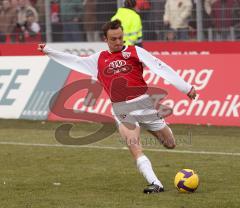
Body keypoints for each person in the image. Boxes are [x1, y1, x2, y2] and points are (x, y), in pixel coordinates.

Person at [38, 19, 196, 194]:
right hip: (122, 109)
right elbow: (74, 61)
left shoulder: (136, 51)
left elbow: (160, 67)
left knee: (170, 143)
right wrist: (48, 51)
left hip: (144, 104)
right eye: (113, 39)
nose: (118, 42)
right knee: (135, 147)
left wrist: (186, 88)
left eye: (120, 37)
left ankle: (150, 127)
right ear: (105, 39)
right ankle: (155, 182)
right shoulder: (98, 59)